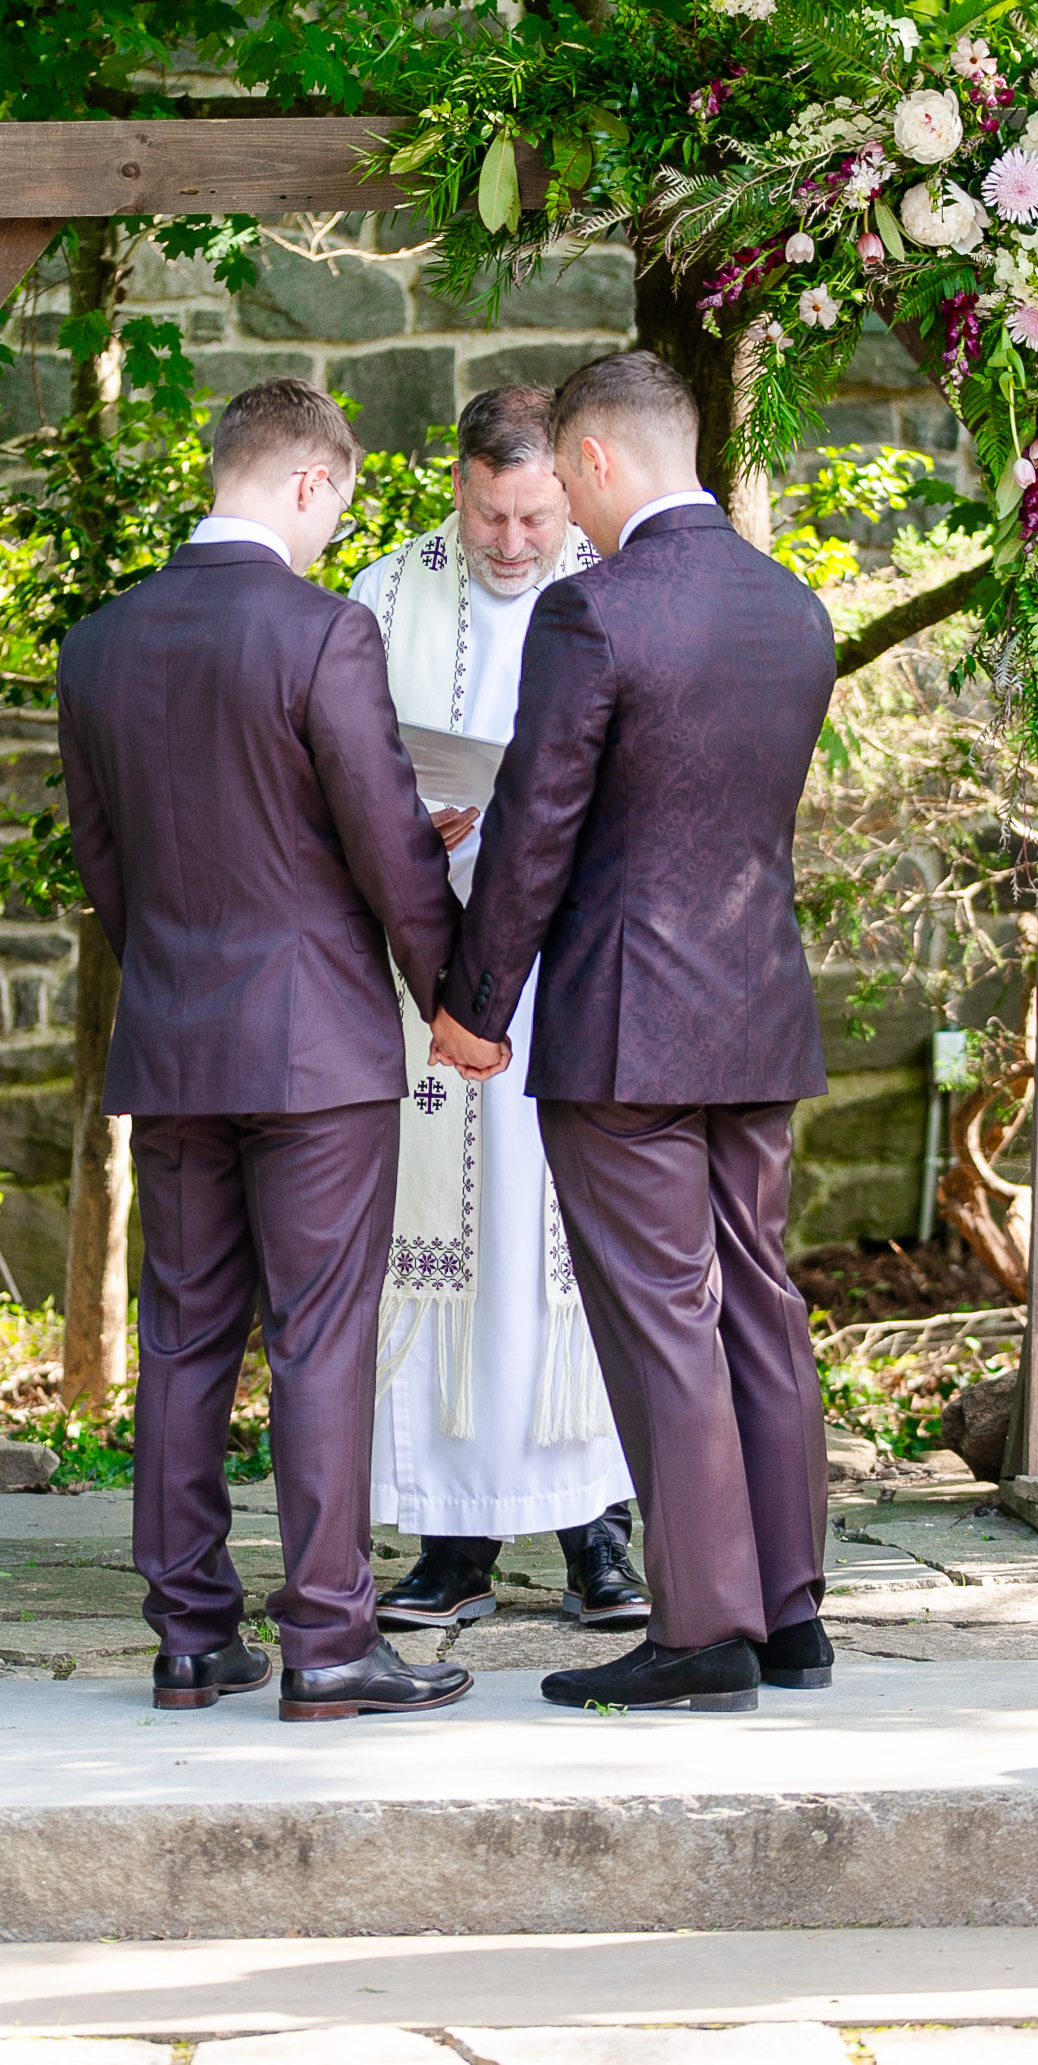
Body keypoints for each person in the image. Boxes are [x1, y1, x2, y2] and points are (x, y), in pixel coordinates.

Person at [57, 378, 473, 1724]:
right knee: (317, 1342)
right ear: (306, 483)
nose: (327, 531)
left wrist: (181, 975)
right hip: (313, 1056)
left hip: (175, 1039)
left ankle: (187, 1638)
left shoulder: (100, 645)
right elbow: (381, 844)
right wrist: (453, 995)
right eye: (334, 506)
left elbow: (108, 869)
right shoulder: (322, 632)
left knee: (181, 1341)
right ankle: (330, 1642)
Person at [432, 350, 837, 1714]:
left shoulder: (591, 615)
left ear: (593, 461)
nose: (564, 519)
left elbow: (533, 837)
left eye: (568, 487)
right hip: (757, 1008)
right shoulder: (791, 607)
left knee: (665, 1320)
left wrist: (473, 1008)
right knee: (759, 1304)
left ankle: (701, 1628)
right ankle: (788, 1613)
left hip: (623, 1024)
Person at [349, 386, 648, 1633]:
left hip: (565, 964)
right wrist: (401, 818)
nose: (513, 541)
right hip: (426, 967)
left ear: (567, 492)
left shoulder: (614, 582)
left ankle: (600, 1535)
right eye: (489, 513)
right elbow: (340, 755)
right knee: (449, 1251)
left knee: (568, 1246)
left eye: (533, 515)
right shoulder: (383, 589)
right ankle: (453, 1541)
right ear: (456, 486)